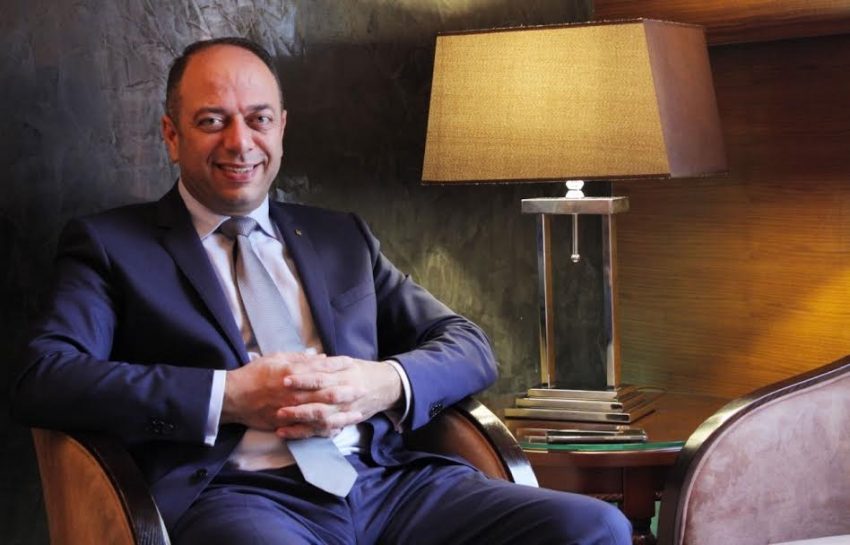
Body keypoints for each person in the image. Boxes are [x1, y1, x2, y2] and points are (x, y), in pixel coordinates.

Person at [12, 37, 632, 545]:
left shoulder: (341, 238)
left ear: (281, 128)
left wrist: (380, 383)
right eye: (211, 121)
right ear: (172, 136)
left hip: (387, 483)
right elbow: (45, 376)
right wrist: (228, 396)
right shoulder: (111, 245)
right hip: (239, 495)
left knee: (595, 527)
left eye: (258, 119)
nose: (240, 142)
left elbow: (467, 344)